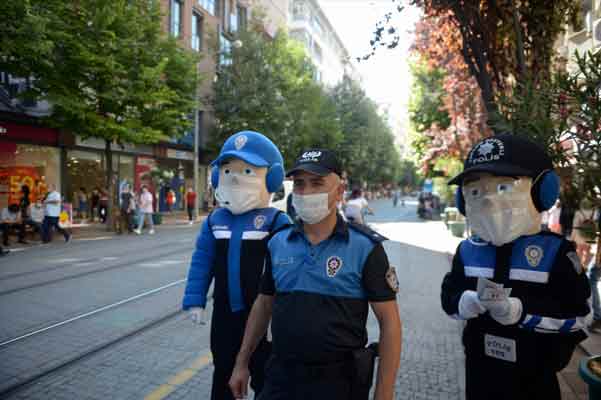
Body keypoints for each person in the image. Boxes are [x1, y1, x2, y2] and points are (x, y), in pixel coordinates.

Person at [229, 149, 402, 400]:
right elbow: (263, 304)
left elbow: (390, 324)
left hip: (339, 383)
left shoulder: (365, 248)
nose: (306, 192)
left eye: (317, 183)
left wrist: (384, 393)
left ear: (340, 191)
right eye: (299, 184)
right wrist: (241, 362)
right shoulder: (278, 242)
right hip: (280, 378)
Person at [441, 134, 590, 400]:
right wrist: (462, 302)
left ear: (542, 191)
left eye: (503, 188)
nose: (487, 201)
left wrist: (523, 311)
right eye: (475, 192)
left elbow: (581, 315)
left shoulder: (556, 252)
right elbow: (450, 294)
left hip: (534, 381)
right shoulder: (468, 250)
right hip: (479, 376)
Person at [182, 131, 291, 400]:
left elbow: (290, 272)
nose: (235, 177)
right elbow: (201, 262)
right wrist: (195, 300)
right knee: (223, 375)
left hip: (265, 319)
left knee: (268, 380)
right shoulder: (214, 221)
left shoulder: (277, 222)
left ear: (272, 177)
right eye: (228, 169)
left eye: (246, 170)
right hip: (224, 317)